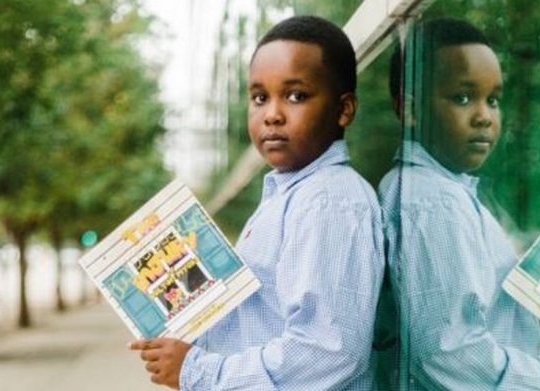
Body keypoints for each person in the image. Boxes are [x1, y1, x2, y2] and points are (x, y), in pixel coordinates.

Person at [130, 15, 384, 390]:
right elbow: (261, 323)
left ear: (344, 109)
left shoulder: (328, 201)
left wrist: (198, 371)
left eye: (296, 95)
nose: (272, 114)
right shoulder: (291, 195)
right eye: (259, 97)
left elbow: (328, 352)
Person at [377, 17, 540, 389]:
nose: (484, 116)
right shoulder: (432, 202)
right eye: (463, 98)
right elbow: (453, 359)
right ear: (411, 111)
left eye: (493, 100)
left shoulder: (437, 191)